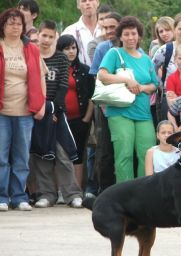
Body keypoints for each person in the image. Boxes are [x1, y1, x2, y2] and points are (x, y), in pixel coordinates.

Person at [97, 16, 158, 182]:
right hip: (119, 112)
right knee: (124, 155)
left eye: (134, 33)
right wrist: (126, 80)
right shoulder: (114, 53)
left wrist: (142, 88)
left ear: (139, 36)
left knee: (147, 154)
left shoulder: (146, 59)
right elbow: (102, 75)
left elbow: (154, 84)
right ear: (120, 36)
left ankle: (143, 195)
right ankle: (125, 197)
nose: (131, 37)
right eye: (127, 34)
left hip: (143, 113)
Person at [31, 20, 83, 209]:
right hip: (37, 112)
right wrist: (40, 109)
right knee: (41, 153)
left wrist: (55, 110)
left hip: (56, 112)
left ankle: (72, 194)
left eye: (51, 37)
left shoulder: (61, 58)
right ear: (38, 35)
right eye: (44, 35)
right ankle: (47, 194)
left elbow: (62, 86)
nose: (46, 40)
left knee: (63, 154)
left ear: (55, 38)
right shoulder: (32, 55)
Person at [0, 8, 46, 212]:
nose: (15, 27)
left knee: (21, 157)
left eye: (19, 23)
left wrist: (42, 104)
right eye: (11, 23)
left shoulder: (31, 49)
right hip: (2, 111)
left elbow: (41, 77)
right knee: (1, 157)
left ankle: (19, 196)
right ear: (3, 26)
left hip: (26, 112)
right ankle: (2, 197)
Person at [56, 34, 95, 188]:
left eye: (73, 48)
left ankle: (76, 190)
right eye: (67, 48)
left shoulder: (85, 70)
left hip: (79, 119)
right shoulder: (54, 68)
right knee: (59, 154)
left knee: (78, 154)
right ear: (60, 50)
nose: (71, 51)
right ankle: (61, 191)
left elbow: (92, 96)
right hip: (59, 118)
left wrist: (86, 118)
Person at [89, 12, 121, 195]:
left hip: (129, 106)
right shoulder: (103, 48)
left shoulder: (134, 48)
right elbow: (96, 77)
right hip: (105, 106)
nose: (109, 31)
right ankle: (105, 190)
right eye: (105, 27)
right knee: (104, 150)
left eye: (112, 27)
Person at [62, 0, 102, 66]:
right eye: (83, 1)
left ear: (98, 2)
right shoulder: (69, 31)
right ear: (78, 5)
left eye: (91, 0)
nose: (87, 3)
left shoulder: (107, 29)